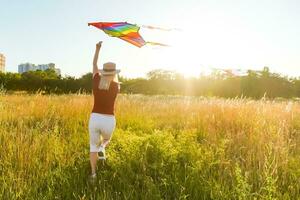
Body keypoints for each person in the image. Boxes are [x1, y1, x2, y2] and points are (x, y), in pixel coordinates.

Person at [88, 41, 120, 178]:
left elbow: (94, 64)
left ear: (103, 71)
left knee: (92, 147)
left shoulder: (96, 81)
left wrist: (97, 49)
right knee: (107, 139)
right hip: (109, 119)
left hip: (95, 118)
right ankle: (103, 147)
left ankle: (93, 174)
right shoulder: (116, 86)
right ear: (114, 73)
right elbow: (114, 79)